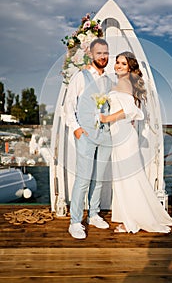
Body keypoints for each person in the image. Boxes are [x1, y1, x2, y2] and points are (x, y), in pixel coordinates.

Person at [100, 51, 172, 233]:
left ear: (130, 67)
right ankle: (127, 215)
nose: (118, 66)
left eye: (123, 63)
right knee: (126, 177)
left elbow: (132, 111)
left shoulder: (124, 82)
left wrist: (107, 118)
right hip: (120, 133)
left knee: (127, 178)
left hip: (123, 135)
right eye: (117, 63)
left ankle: (131, 219)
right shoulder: (123, 82)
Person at [65, 38, 112, 239]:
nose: (103, 56)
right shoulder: (80, 77)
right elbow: (68, 106)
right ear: (91, 55)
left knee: (99, 177)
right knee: (83, 178)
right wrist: (76, 129)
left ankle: (93, 214)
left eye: (106, 53)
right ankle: (75, 221)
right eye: (99, 53)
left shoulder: (110, 80)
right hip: (85, 134)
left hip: (105, 135)